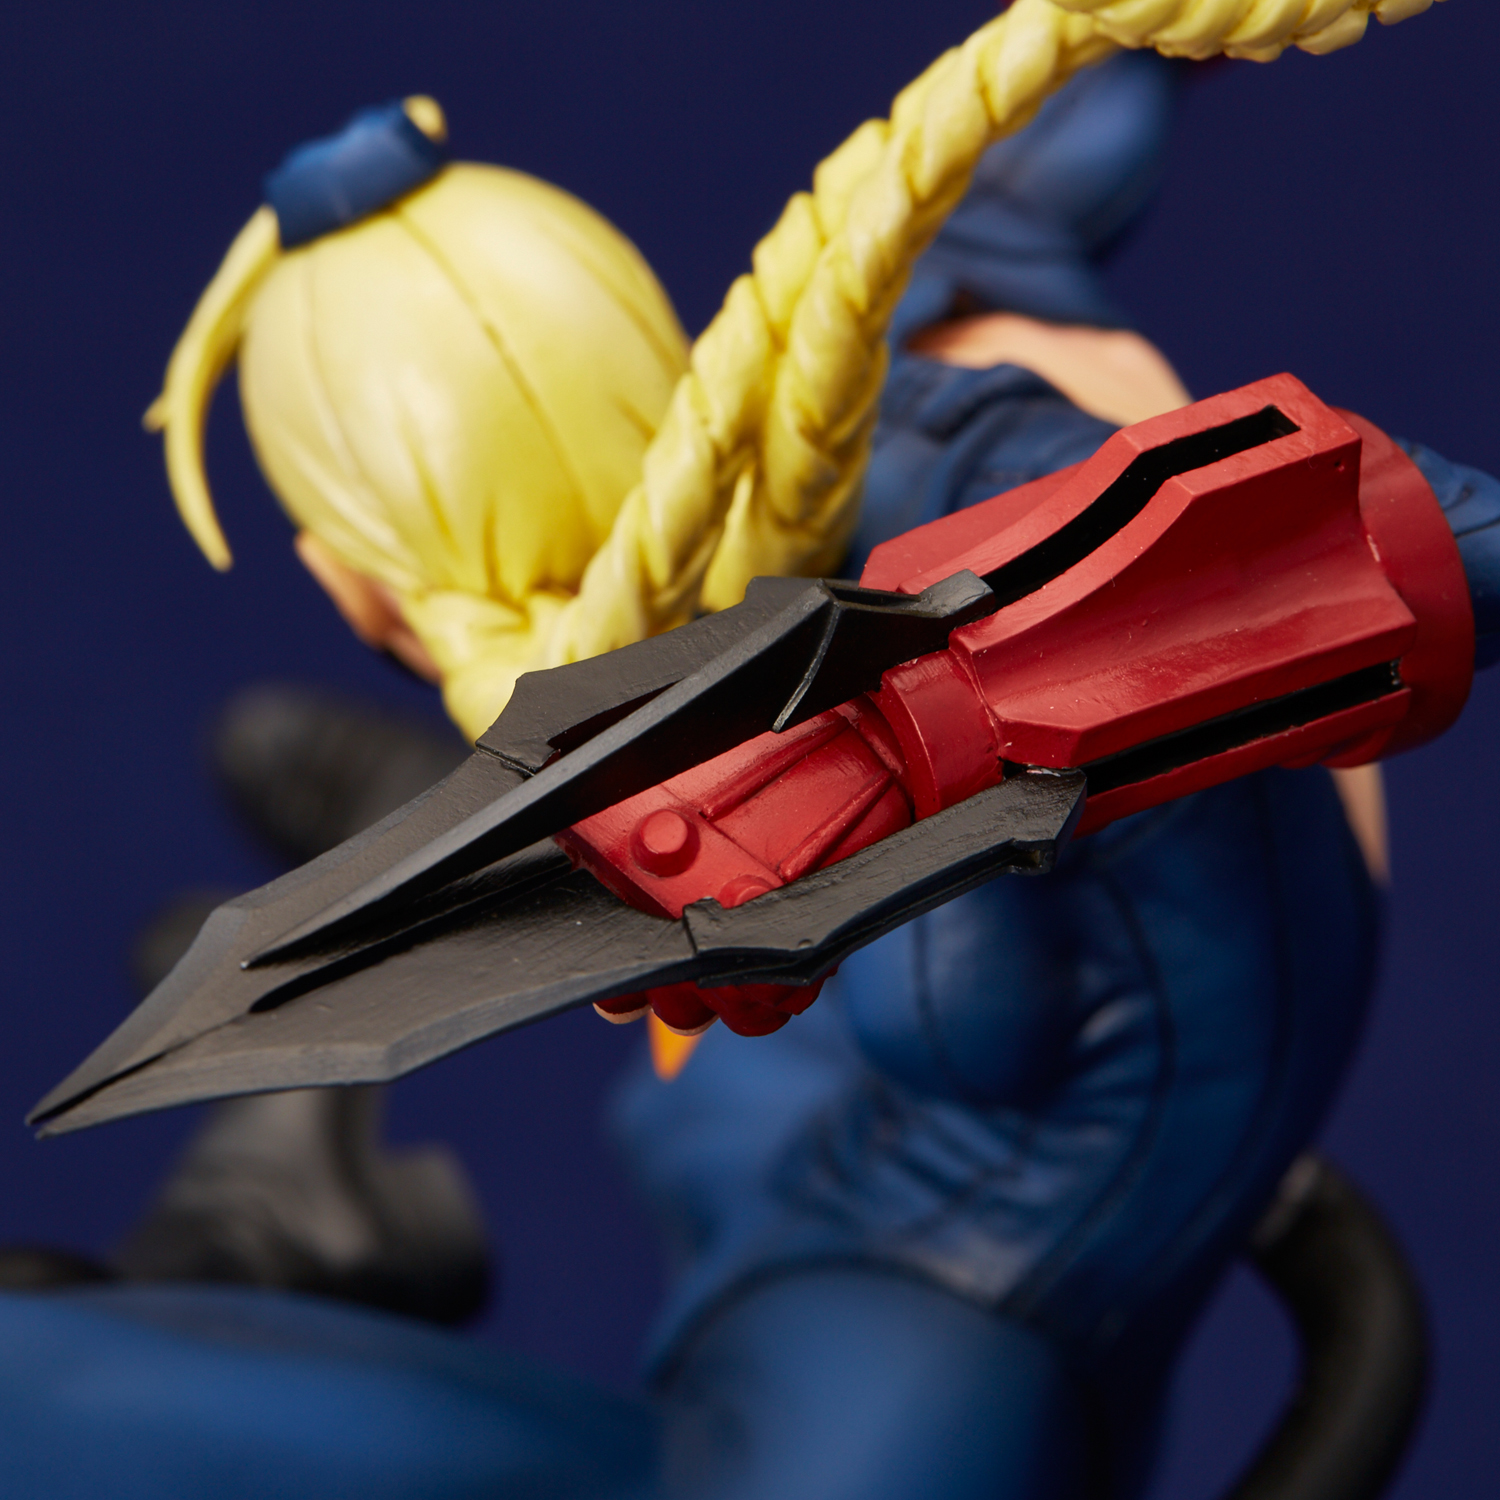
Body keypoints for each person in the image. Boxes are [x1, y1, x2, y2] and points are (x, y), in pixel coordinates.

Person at [3, 3, 1487, 1496]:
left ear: (355, 592)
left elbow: (1424, 537)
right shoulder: (848, 352)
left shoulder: (952, 464)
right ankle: (269, 1197)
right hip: (763, 1146)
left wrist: (950, 714)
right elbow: (1051, 138)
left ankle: (246, 1228)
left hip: (935, 1291)